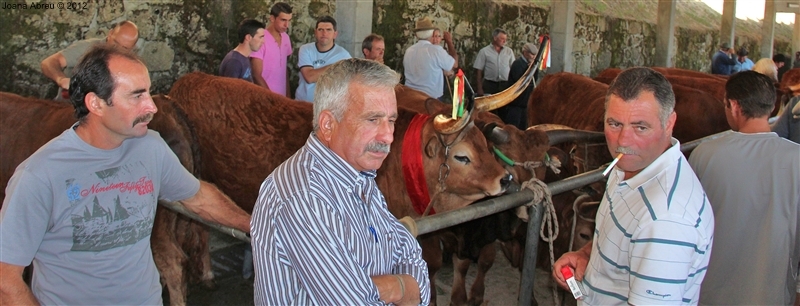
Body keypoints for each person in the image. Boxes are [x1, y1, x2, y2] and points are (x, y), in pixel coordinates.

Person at [0, 45, 251, 305]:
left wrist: (254, 225)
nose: (152, 107)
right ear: (95, 103)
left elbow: (197, 197)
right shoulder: (39, 174)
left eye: (149, 93)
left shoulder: (150, 146)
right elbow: (5, 280)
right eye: (137, 96)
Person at [251, 58, 429, 304]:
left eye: (391, 120)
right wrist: (401, 287)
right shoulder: (304, 196)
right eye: (372, 120)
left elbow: (406, 249)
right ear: (327, 124)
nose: (388, 136)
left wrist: (394, 286)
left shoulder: (359, 173)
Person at [551, 67, 715, 305]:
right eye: (614, 124)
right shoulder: (629, 168)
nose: (623, 142)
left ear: (669, 124)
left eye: (640, 127)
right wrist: (588, 255)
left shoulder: (666, 220)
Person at [689, 71, 800, 305]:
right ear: (772, 107)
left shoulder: (705, 154)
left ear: (734, 105)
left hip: (711, 290)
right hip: (773, 290)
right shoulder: (796, 158)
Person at [40, 21, 139, 100]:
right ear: (110, 34)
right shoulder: (87, 49)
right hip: (68, 111)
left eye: (124, 48)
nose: (117, 50)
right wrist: (61, 79)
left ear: (132, 48)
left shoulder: (133, 65)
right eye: (115, 43)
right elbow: (48, 63)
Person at [294, 15, 352, 102]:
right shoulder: (305, 49)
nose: (324, 33)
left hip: (327, 107)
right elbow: (309, 77)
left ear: (335, 34)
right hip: (302, 104)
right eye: (320, 30)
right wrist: (338, 66)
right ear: (315, 32)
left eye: (328, 30)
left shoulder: (343, 55)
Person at [403, 17, 458, 101]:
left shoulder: (408, 51)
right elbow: (455, 64)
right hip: (431, 100)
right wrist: (450, 42)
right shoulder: (436, 50)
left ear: (416, 35)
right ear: (431, 33)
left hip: (411, 97)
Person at [250, 2, 293, 96]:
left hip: (282, 99)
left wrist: (288, 96)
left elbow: (284, 69)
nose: (287, 25)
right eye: (283, 20)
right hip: (264, 99)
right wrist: (272, 99)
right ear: (272, 18)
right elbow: (256, 75)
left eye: (289, 20)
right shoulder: (261, 38)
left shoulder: (286, 38)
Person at [498, 42, 538, 130]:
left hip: (525, 103)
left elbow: (534, 79)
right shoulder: (517, 64)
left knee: (523, 128)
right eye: (532, 54)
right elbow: (519, 80)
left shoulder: (530, 65)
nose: (533, 57)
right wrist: (528, 69)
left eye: (535, 55)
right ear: (525, 53)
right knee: (513, 128)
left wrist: (534, 69)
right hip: (515, 103)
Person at [473, 28, 515, 96]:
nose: (504, 41)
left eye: (505, 39)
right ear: (495, 38)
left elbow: (513, 68)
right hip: (490, 84)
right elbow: (478, 71)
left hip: (505, 84)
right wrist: (479, 88)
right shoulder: (484, 52)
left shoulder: (509, 51)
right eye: (502, 39)